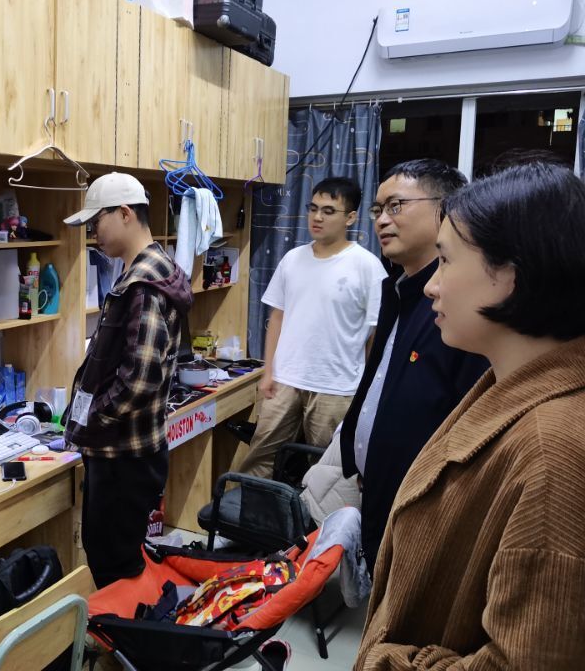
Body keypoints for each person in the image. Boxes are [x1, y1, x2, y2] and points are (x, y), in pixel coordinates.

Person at [356, 162, 585, 668]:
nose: (432, 286)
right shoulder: (505, 385)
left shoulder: (555, 452)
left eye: (446, 261)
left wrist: (385, 660)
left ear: (509, 276)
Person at [339, 159, 488, 573]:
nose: (381, 220)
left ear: (445, 210)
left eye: (396, 206)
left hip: (424, 510)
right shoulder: (398, 289)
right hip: (380, 493)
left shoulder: (457, 308)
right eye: (377, 209)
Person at [62, 172, 192, 588]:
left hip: (122, 456)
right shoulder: (152, 269)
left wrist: (91, 419)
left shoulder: (143, 284)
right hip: (131, 451)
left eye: (96, 221)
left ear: (124, 214)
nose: (93, 233)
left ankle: (122, 630)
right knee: (119, 558)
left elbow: (139, 380)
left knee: (113, 566)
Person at [238, 177, 387, 480]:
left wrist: (364, 388)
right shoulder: (292, 259)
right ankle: (250, 508)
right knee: (260, 455)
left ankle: (312, 514)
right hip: (285, 378)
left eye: (329, 211)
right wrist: (268, 371)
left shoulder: (367, 266)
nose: (317, 217)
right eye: (313, 208)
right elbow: (277, 318)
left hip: (336, 386)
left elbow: (375, 336)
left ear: (350, 217)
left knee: (325, 470)